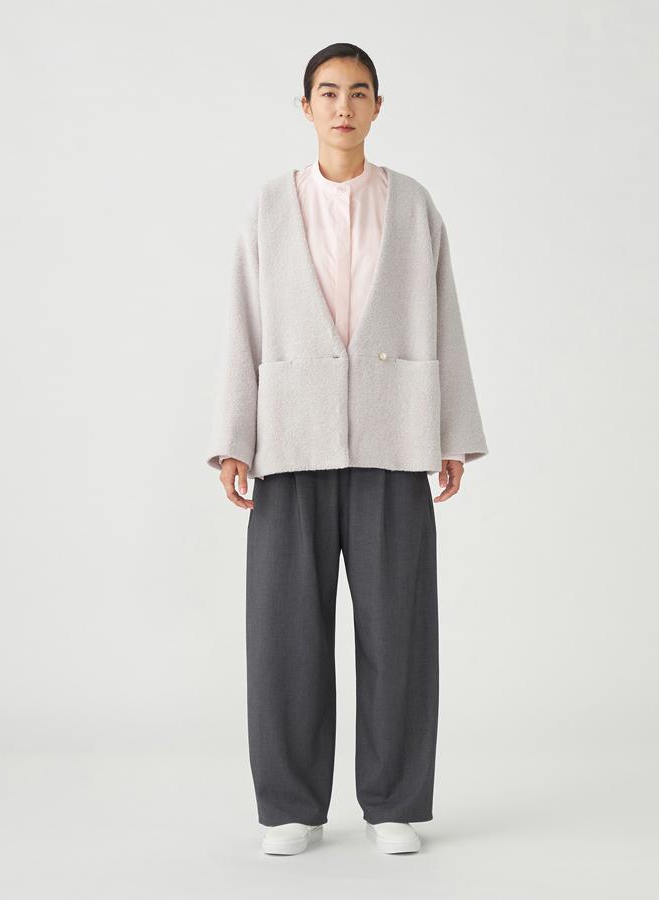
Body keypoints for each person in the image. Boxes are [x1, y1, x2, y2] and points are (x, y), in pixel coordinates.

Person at [206, 43, 489, 856]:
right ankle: (291, 807)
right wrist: (234, 440)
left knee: (399, 630)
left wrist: (451, 435)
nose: (342, 106)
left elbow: (444, 316)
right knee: (285, 633)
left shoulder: (414, 205)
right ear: (305, 107)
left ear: (377, 106)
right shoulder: (269, 206)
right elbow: (243, 321)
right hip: (288, 440)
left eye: (358, 92)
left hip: (394, 437)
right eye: (328, 93)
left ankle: (393, 802)